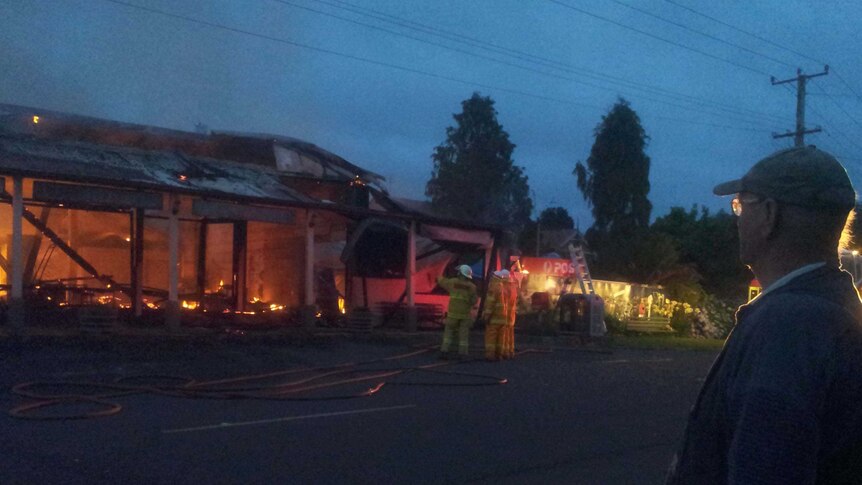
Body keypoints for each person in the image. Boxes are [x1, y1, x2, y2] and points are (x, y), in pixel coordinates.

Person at [666, 146, 862, 484]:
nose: (737, 218)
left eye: (741, 205)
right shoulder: (838, 306)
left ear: (769, 214)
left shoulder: (790, 325)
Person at [437, 264, 478, 358]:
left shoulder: (453, 282)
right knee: (463, 335)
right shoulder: (472, 287)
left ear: (460, 273)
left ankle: (444, 351)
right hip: (465, 315)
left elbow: (442, 282)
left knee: (449, 333)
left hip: (452, 314)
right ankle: (462, 353)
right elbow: (474, 301)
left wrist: (438, 276)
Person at [482, 270, 509, 361]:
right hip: (503, 318)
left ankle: (490, 355)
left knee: (491, 337)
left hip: (494, 318)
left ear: (493, 277)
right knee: (500, 338)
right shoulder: (502, 288)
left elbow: (490, 304)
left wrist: (486, 316)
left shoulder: (493, 288)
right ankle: (499, 354)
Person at [502, 270, 518, 359]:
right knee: (510, 335)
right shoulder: (513, 288)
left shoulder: (505, 288)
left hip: (505, 316)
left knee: (505, 336)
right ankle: (510, 351)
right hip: (511, 316)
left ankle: (505, 352)